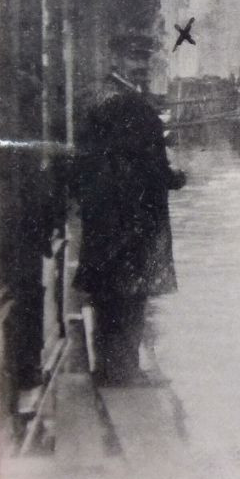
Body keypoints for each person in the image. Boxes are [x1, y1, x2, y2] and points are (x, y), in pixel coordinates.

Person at [71, 63, 186, 386]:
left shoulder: (93, 108)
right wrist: (178, 178)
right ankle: (126, 371)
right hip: (137, 219)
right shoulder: (140, 110)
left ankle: (107, 370)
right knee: (132, 297)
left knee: (105, 294)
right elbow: (157, 171)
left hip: (101, 217)